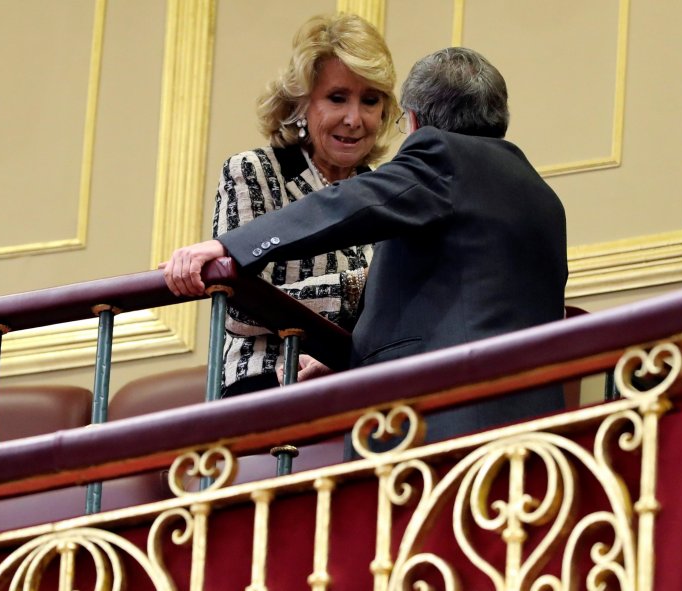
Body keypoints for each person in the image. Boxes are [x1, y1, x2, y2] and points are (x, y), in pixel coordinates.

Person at [163, 47, 568, 442]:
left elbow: (345, 203)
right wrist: (350, 365)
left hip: (438, 420)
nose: (354, 118)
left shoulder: (440, 157)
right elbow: (444, 310)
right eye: (337, 98)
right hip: (535, 428)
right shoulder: (542, 196)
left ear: (411, 120)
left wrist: (231, 248)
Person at [211, 14, 399, 397]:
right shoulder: (255, 171)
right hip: (262, 382)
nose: (354, 118)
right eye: (337, 98)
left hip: (353, 376)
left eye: (369, 101)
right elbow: (242, 309)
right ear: (301, 104)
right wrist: (356, 289)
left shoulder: (389, 190)